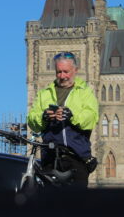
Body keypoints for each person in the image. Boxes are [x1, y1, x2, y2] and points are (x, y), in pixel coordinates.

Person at [27, 52, 98, 187]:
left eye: (66, 72)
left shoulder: (85, 92)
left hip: (76, 157)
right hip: (50, 157)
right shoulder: (44, 93)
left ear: (75, 70)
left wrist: (71, 115)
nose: (62, 76)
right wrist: (44, 117)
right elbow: (32, 120)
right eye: (59, 72)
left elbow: (91, 118)